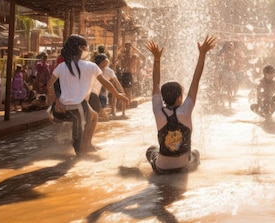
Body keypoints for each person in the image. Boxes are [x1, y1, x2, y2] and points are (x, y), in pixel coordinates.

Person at [46, 35, 129, 155]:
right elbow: (106, 83)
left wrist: (56, 101)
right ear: (80, 48)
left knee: (92, 115)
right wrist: (118, 95)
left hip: (58, 112)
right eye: (86, 47)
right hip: (78, 109)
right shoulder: (91, 66)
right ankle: (84, 148)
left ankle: (85, 145)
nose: (88, 50)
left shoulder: (62, 66)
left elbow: (49, 85)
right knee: (89, 122)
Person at [144, 36, 216, 174]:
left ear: (163, 98)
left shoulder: (158, 111)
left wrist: (157, 58)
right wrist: (202, 54)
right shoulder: (186, 110)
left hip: (161, 169)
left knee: (151, 150)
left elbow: (155, 84)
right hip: (183, 167)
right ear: (179, 98)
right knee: (196, 153)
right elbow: (196, 80)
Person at [90, 54, 125, 120]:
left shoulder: (109, 71)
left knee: (100, 116)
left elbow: (116, 83)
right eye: (104, 64)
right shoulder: (92, 69)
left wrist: (122, 93)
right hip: (90, 95)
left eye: (107, 64)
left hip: (98, 96)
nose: (106, 65)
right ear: (100, 63)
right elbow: (106, 83)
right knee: (99, 116)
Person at [115, 42, 140, 114]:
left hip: (129, 74)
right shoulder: (123, 55)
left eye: (129, 47)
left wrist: (134, 48)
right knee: (123, 89)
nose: (128, 48)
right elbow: (117, 55)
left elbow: (142, 57)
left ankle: (128, 103)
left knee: (129, 89)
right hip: (123, 74)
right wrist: (121, 48)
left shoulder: (133, 56)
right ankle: (125, 104)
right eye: (127, 47)